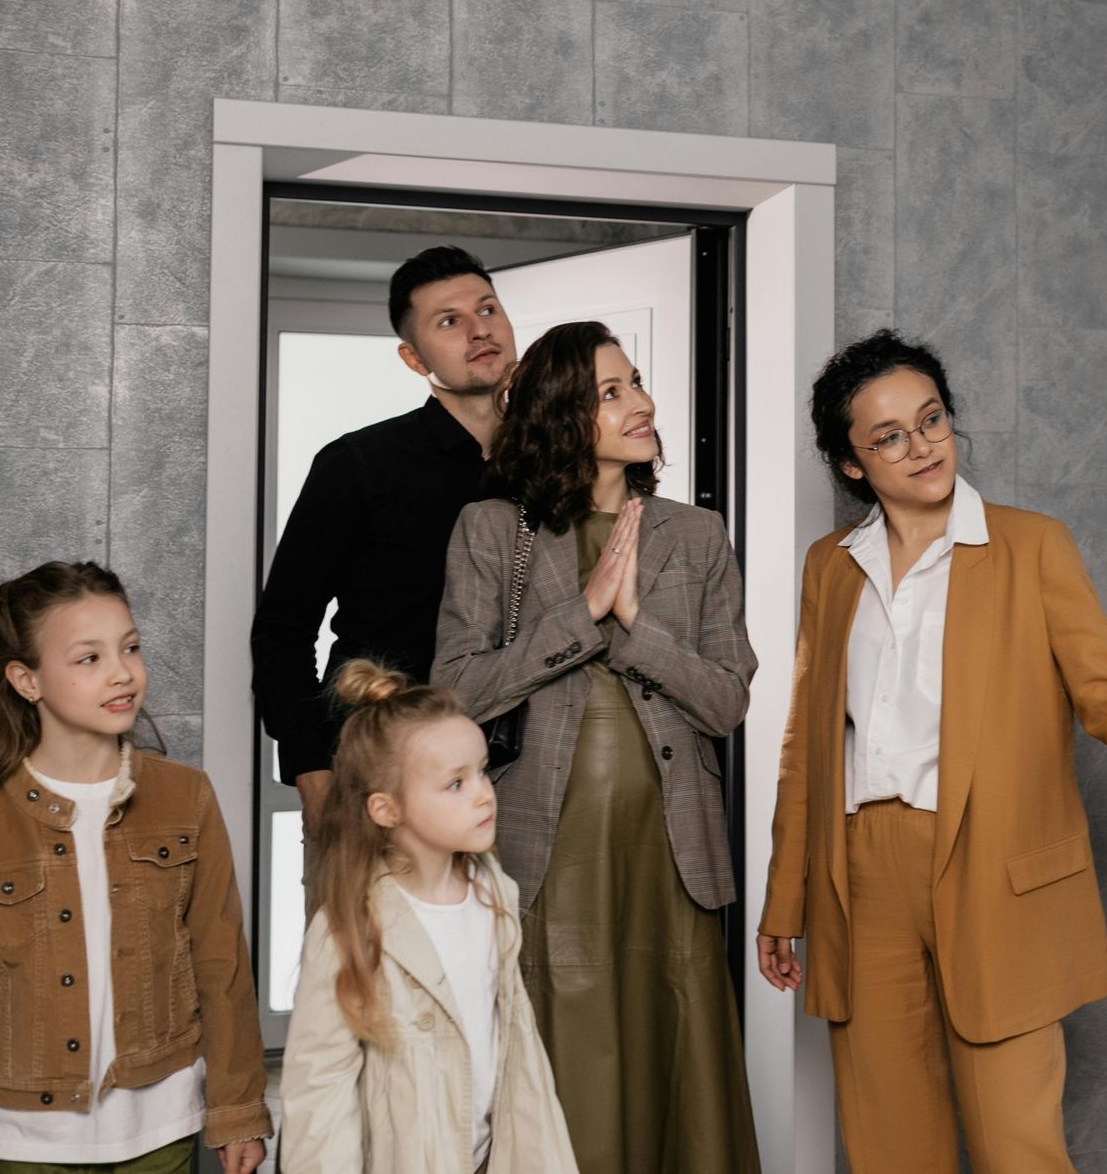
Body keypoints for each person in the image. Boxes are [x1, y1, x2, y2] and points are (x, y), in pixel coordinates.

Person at [756, 331, 1107, 1173]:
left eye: (931, 419)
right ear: (852, 463)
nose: (922, 445)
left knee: (1019, 1147)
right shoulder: (831, 566)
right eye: (889, 436)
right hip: (861, 875)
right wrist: (784, 900)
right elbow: (807, 746)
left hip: (993, 865)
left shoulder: (1032, 544)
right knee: (891, 1146)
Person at [433, 320, 762, 1172]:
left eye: (636, 382)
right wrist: (580, 613)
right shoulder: (491, 530)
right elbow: (457, 692)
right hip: (547, 848)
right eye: (611, 392)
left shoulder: (696, 534)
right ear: (560, 415)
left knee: (674, 1061)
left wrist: (634, 624)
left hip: (671, 849)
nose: (640, 403)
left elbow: (726, 701)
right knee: (563, 1059)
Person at [0, 562, 272, 1174]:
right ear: (26, 680)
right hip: (24, 1143)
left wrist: (238, 1109)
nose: (122, 672)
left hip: (160, 1131)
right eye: (89, 658)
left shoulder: (188, 799)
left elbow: (222, 966)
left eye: (130, 648)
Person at [251, 244, 517, 844]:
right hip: (381, 768)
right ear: (413, 357)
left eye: (487, 310)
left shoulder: (554, 467)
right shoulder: (359, 464)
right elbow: (283, 629)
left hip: (523, 774)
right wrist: (311, 771)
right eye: (449, 321)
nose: (479, 330)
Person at [280, 660, 579, 1174]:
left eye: (482, 770)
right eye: (455, 783)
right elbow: (319, 1090)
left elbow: (521, 1063)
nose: (484, 792)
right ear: (386, 809)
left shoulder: (493, 896)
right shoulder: (350, 927)